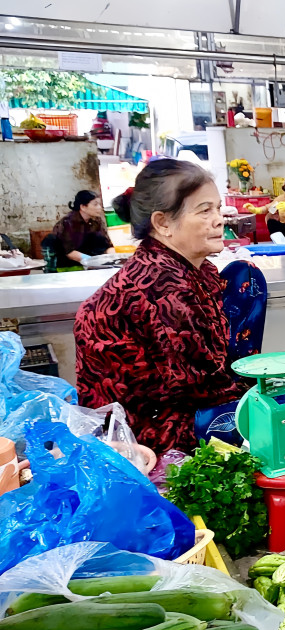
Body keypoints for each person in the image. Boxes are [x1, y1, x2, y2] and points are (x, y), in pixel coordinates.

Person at [75, 159, 248, 454]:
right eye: (204, 210)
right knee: (276, 413)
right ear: (163, 223)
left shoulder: (194, 269)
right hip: (145, 435)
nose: (219, 220)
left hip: (181, 407)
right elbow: (201, 387)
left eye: (218, 209)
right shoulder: (162, 286)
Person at [46, 190, 115, 269]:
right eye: (95, 204)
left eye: (100, 204)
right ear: (83, 207)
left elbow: (107, 245)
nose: (99, 207)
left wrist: (113, 257)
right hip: (70, 267)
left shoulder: (97, 221)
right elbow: (69, 252)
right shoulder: (67, 223)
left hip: (94, 265)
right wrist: (94, 262)